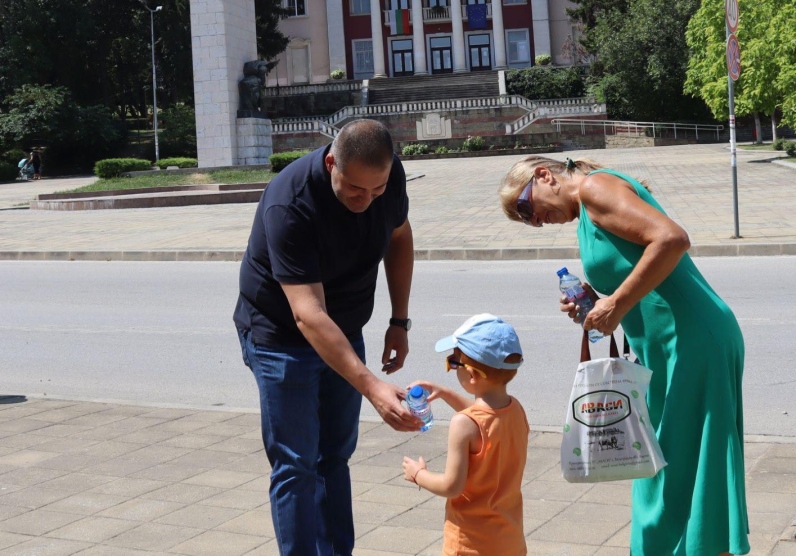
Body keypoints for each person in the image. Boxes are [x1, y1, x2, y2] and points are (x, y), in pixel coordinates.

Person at [499, 156, 750, 556]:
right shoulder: (585, 209)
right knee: (671, 469)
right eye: (526, 221)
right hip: (667, 347)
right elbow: (639, 275)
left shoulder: (596, 188)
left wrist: (616, 302)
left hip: (691, 340)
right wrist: (597, 302)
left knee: (686, 470)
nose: (536, 222)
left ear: (544, 176)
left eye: (527, 208)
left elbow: (671, 238)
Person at [234, 119, 421, 556]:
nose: (367, 200)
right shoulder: (291, 201)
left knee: (334, 456)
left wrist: (399, 320)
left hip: (345, 326)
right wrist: (372, 386)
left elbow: (399, 234)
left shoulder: (385, 177)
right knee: (297, 464)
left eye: (377, 191)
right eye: (356, 189)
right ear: (332, 161)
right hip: (281, 336)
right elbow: (308, 314)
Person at [401, 313, 529, 556]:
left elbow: (451, 486)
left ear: (470, 375)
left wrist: (418, 474)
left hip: (470, 544)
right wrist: (447, 393)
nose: (450, 368)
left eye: (452, 361)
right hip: (509, 541)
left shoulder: (463, 423)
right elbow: (485, 421)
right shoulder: (516, 410)